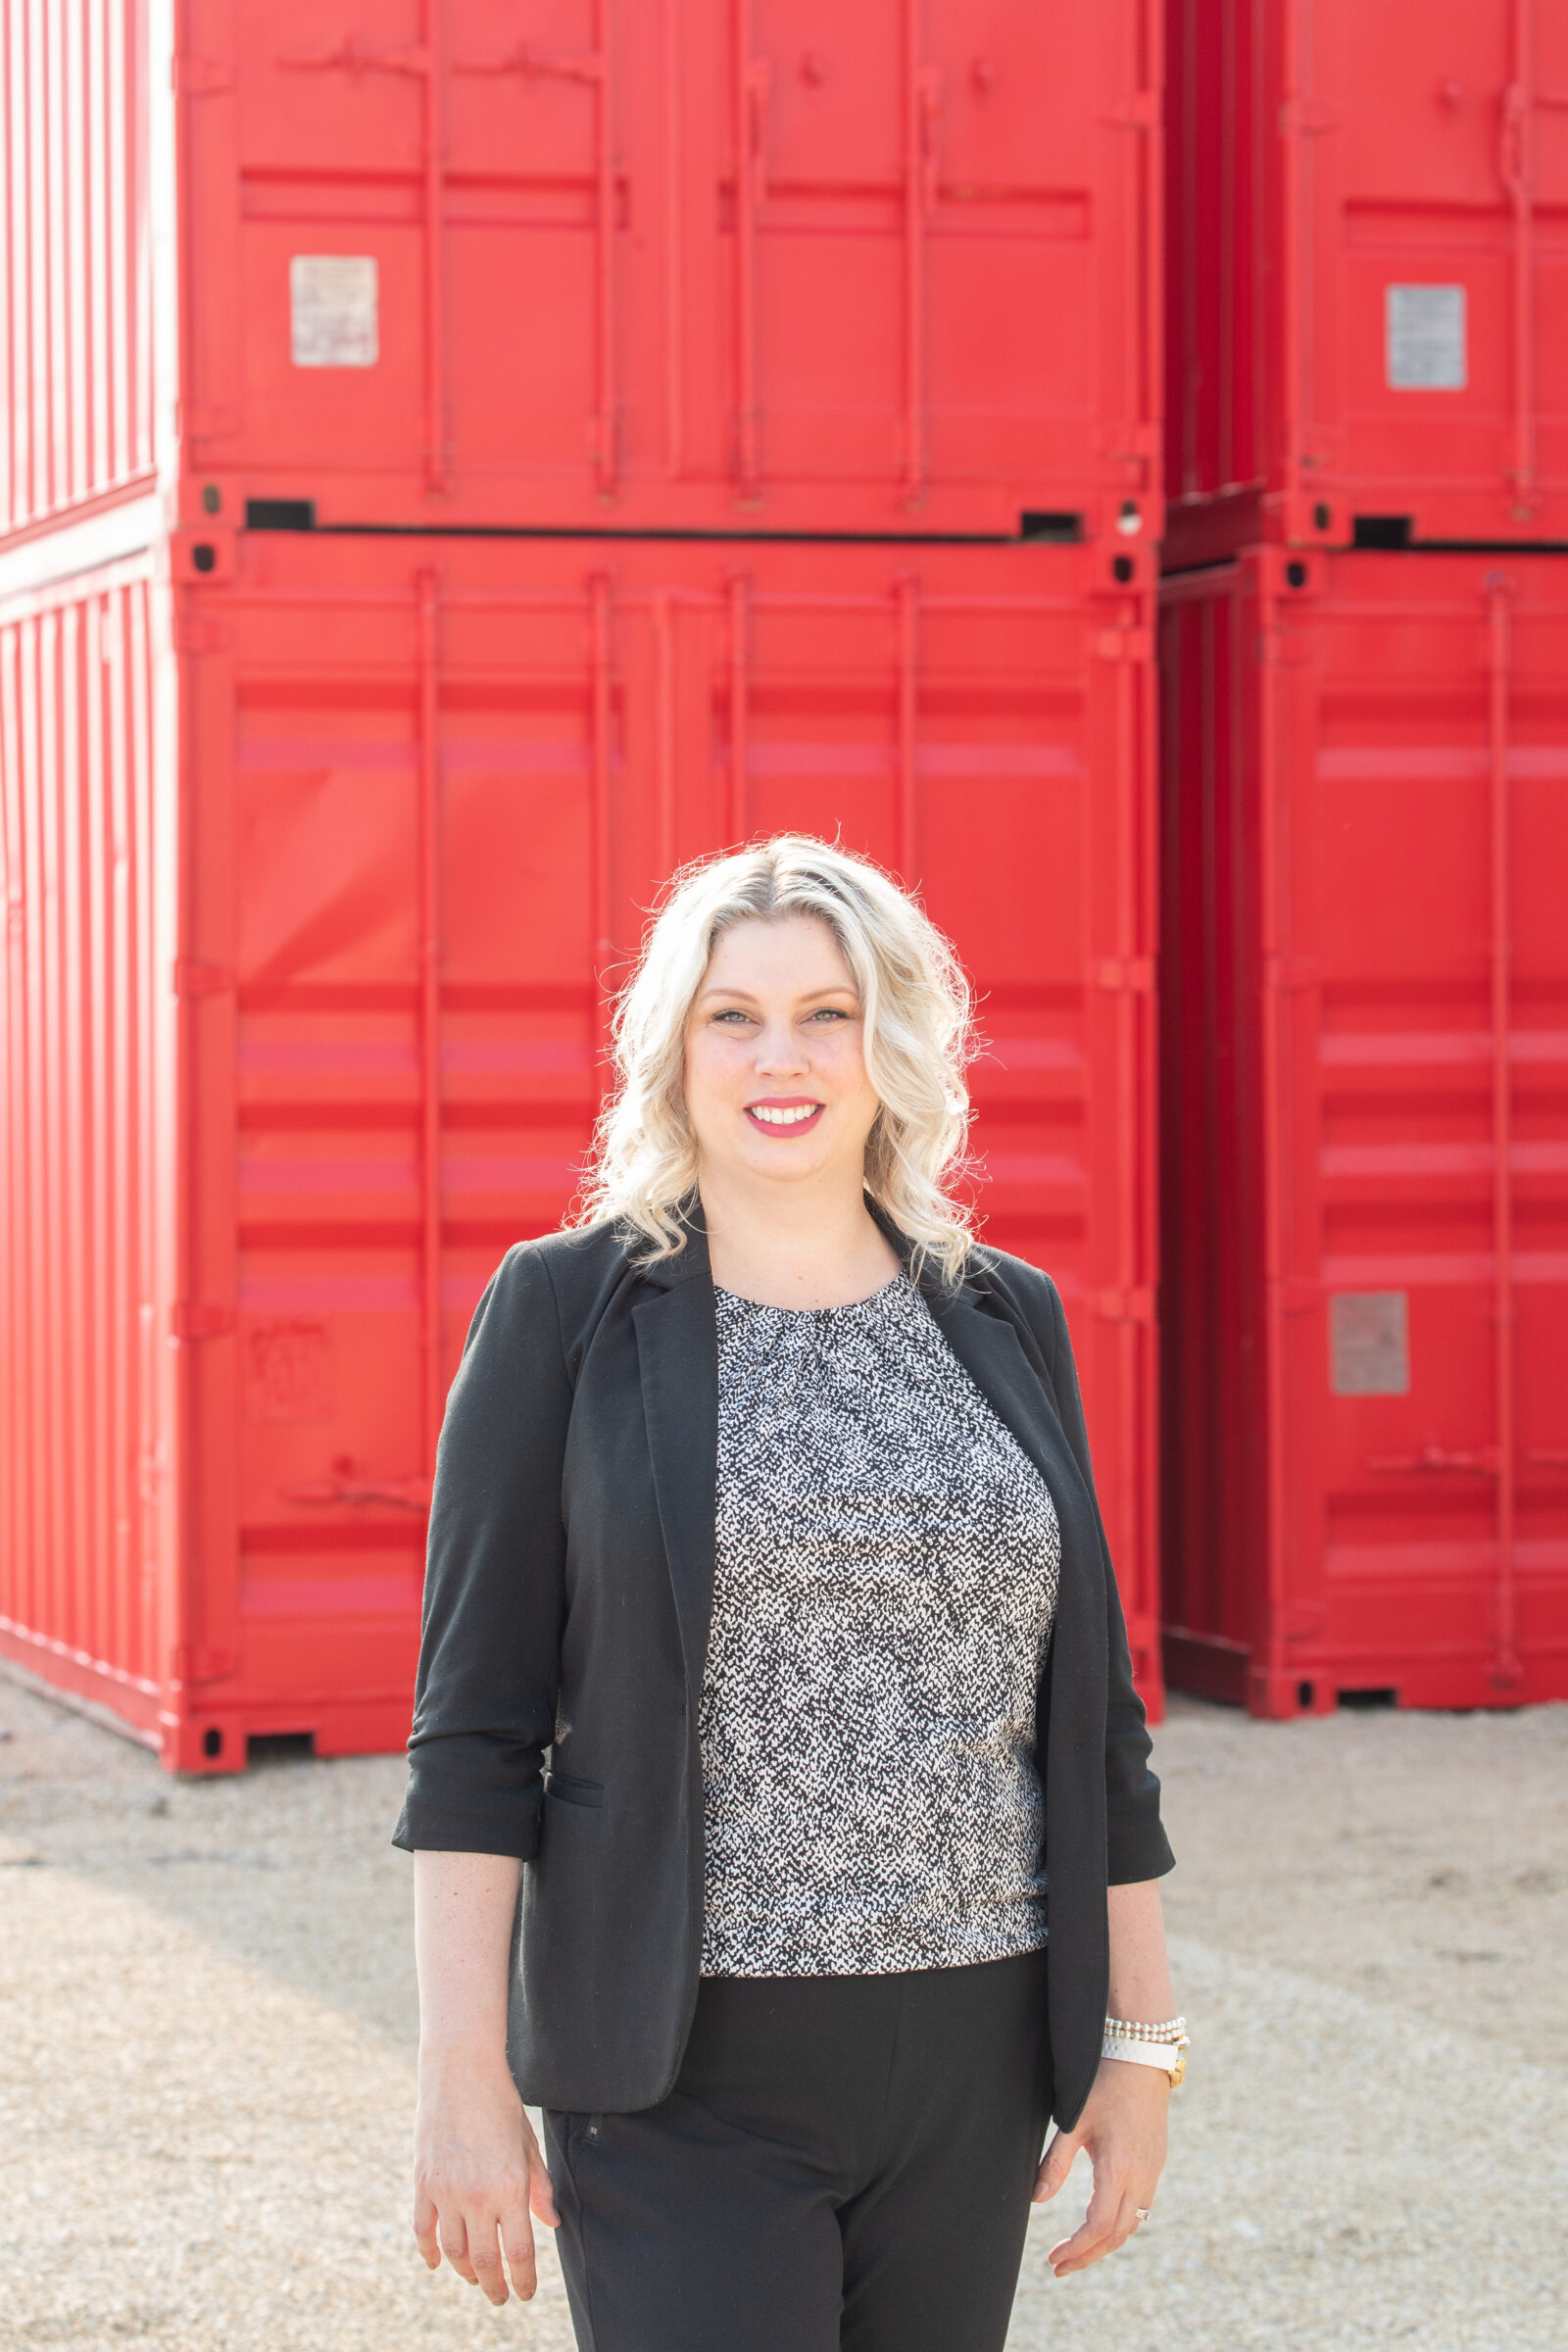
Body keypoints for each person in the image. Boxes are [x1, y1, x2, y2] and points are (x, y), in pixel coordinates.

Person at [394, 836, 1182, 2352]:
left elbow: (1095, 1721)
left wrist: (1141, 2043)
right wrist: (460, 2073)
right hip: (681, 2070)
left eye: (828, 1013)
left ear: (894, 1042)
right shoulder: (563, 1309)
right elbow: (475, 1735)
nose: (782, 1058)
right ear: (672, 1048)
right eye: (733, 1017)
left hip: (975, 2056)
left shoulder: (1006, 1315)